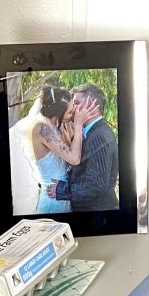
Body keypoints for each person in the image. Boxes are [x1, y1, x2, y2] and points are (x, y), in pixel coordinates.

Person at [45, 83, 119, 211]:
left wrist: (62, 190)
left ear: (92, 105)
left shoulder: (99, 135)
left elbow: (95, 185)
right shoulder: (89, 132)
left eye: (77, 103)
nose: (72, 109)